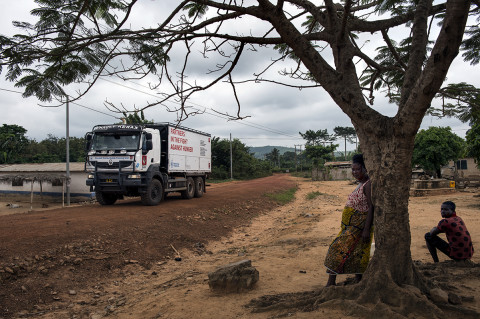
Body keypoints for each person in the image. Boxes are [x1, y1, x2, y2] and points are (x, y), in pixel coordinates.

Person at [324, 154, 374, 287]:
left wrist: (366, 229)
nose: (354, 172)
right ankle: (359, 280)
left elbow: (371, 207)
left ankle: (331, 282)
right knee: (357, 252)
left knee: (336, 249)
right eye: (353, 170)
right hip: (350, 228)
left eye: (357, 169)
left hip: (358, 228)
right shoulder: (361, 183)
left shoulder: (368, 185)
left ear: (365, 169)